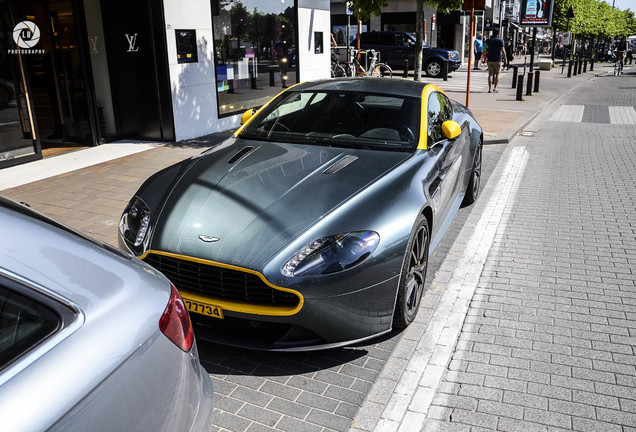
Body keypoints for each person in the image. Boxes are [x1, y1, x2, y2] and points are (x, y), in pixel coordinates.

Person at [485, 28, 507, 93]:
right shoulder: (500, 40)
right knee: (497, 74)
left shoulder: (489, 40)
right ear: (498, 33)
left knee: (490, 74)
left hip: (490, 59)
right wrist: (505, 59)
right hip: (498, 59)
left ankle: (489, 89)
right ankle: (495, 88)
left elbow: (486, 49)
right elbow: (503, 50)